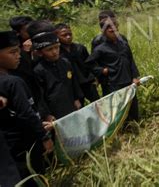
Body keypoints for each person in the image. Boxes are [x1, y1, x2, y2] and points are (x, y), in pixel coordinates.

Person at [0, 31, 54, 185]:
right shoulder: (13, 82)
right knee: (33, 177)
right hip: (24, 144)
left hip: (7, 147)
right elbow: (27, 114)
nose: (18, 55)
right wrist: (44, 137)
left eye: (18, 51)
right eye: (12, 52)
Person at [86, 17, 141, 122]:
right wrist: (101, 70)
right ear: (104, 32)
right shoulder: (100, 48)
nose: (114, 32)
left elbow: (131, 61)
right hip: (112, 83)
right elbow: (89, 63)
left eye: (116, 29)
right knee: (116, 108)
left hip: (128, 80)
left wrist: (135, 77)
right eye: (111, 30)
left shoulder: (124, 44)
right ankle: (118, 130)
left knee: (132, 105)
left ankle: (134, 125)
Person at [33, 30, 83, 119]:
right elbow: (39, 96)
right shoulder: (39, 70)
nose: (55, 52)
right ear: (39, 53)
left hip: (70, 102)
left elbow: (73, 83)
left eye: (57, 47)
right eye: (49, 49)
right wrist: (46, 114)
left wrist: (76, 99)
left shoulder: (65, 63)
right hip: (54, 109)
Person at [55, 23, 100, 105]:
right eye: (64, 35)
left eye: (70, 34)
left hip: (87, 81)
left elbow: (90, 63)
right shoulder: (57, 53)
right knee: (79, 106)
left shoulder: (80, 48)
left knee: (97, 103)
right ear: (56, 36)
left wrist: (94, 77)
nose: (68, 37)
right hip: (73, 86)